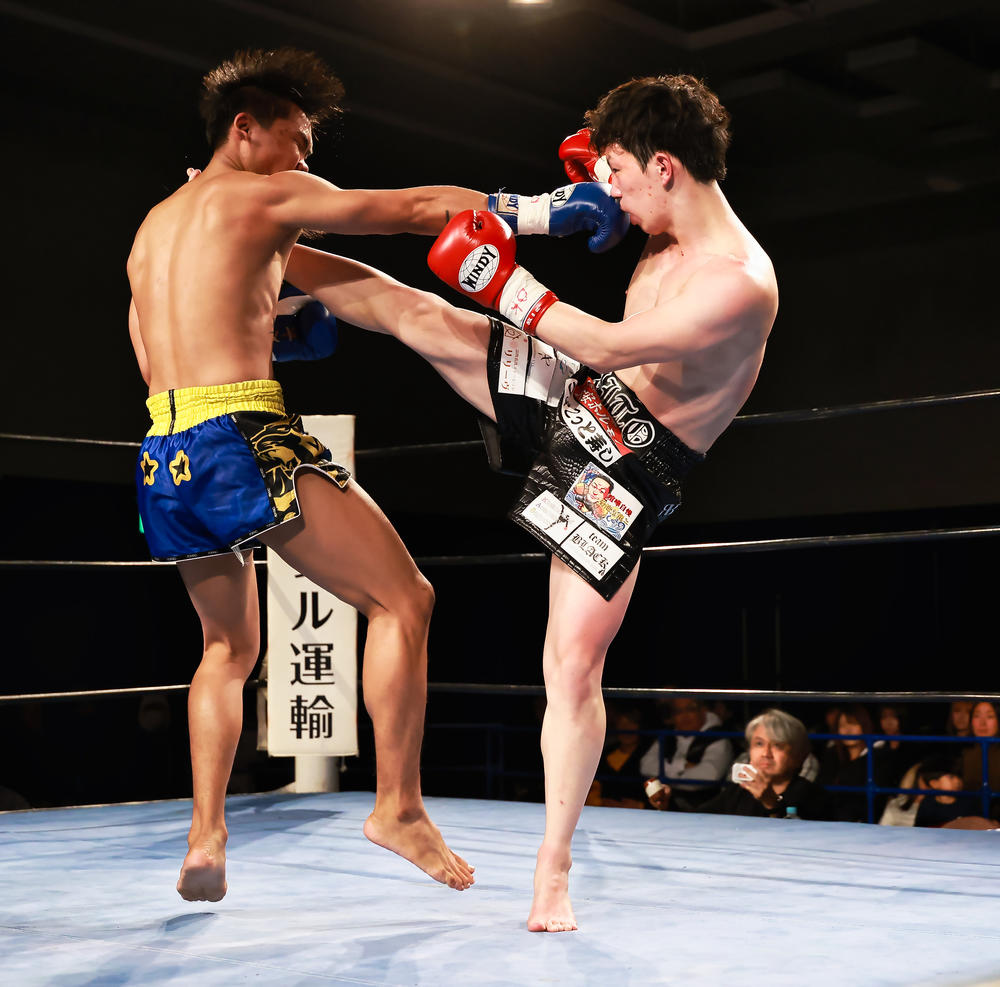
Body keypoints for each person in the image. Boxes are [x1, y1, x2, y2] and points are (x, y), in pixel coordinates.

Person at [130, 47, 626, 904]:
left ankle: (206, 835)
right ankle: (397, 806)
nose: (305, 160)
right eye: (298, 139)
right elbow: (411, 209)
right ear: (245, 128)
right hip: (241, 433)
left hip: (162, 452)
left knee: (226, 648)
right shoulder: (260, 194)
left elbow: (154, 358)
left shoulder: (151, 231)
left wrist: (272, 336)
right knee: (405, 600)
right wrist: (545, 212)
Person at [284, 73, 777, 931]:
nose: (609, 188)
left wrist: (505, 282)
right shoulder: (655, 220)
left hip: (629, 460)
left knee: (570, 666)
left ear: (664, 166)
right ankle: (264, 241)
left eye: (618, 171)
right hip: (575, 391)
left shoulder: (739, 282)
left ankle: (553, 867)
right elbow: (580, 320)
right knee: (416, 312)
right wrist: (550, 210)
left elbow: (613, 342)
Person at [647, 709, 834, 820]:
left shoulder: (813, 796)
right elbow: (698, 820)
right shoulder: (739, 792)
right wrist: (667, 804)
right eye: (759, 744)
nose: (766, 753)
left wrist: (771, 803)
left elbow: (797, 839)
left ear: (798, 755)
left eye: (777, 745)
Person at [637, 697, 733, 807]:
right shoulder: (667, 735)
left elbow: (707, 777)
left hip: (707, 809)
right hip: (669, 807)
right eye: (678, 711)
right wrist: (682, 765)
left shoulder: (718, 738)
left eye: (690, 709)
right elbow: (646, 766)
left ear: (703, 710)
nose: (685, 716)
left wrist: (664, 777)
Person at [587, 705, 647, 808]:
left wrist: (641, 806)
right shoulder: (605, 753)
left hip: (637, 813)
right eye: (622, 723)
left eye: (631, 723)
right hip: (604, 811)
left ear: (639, 726)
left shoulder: (648, 754)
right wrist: (600, 802)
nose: (626, 728)